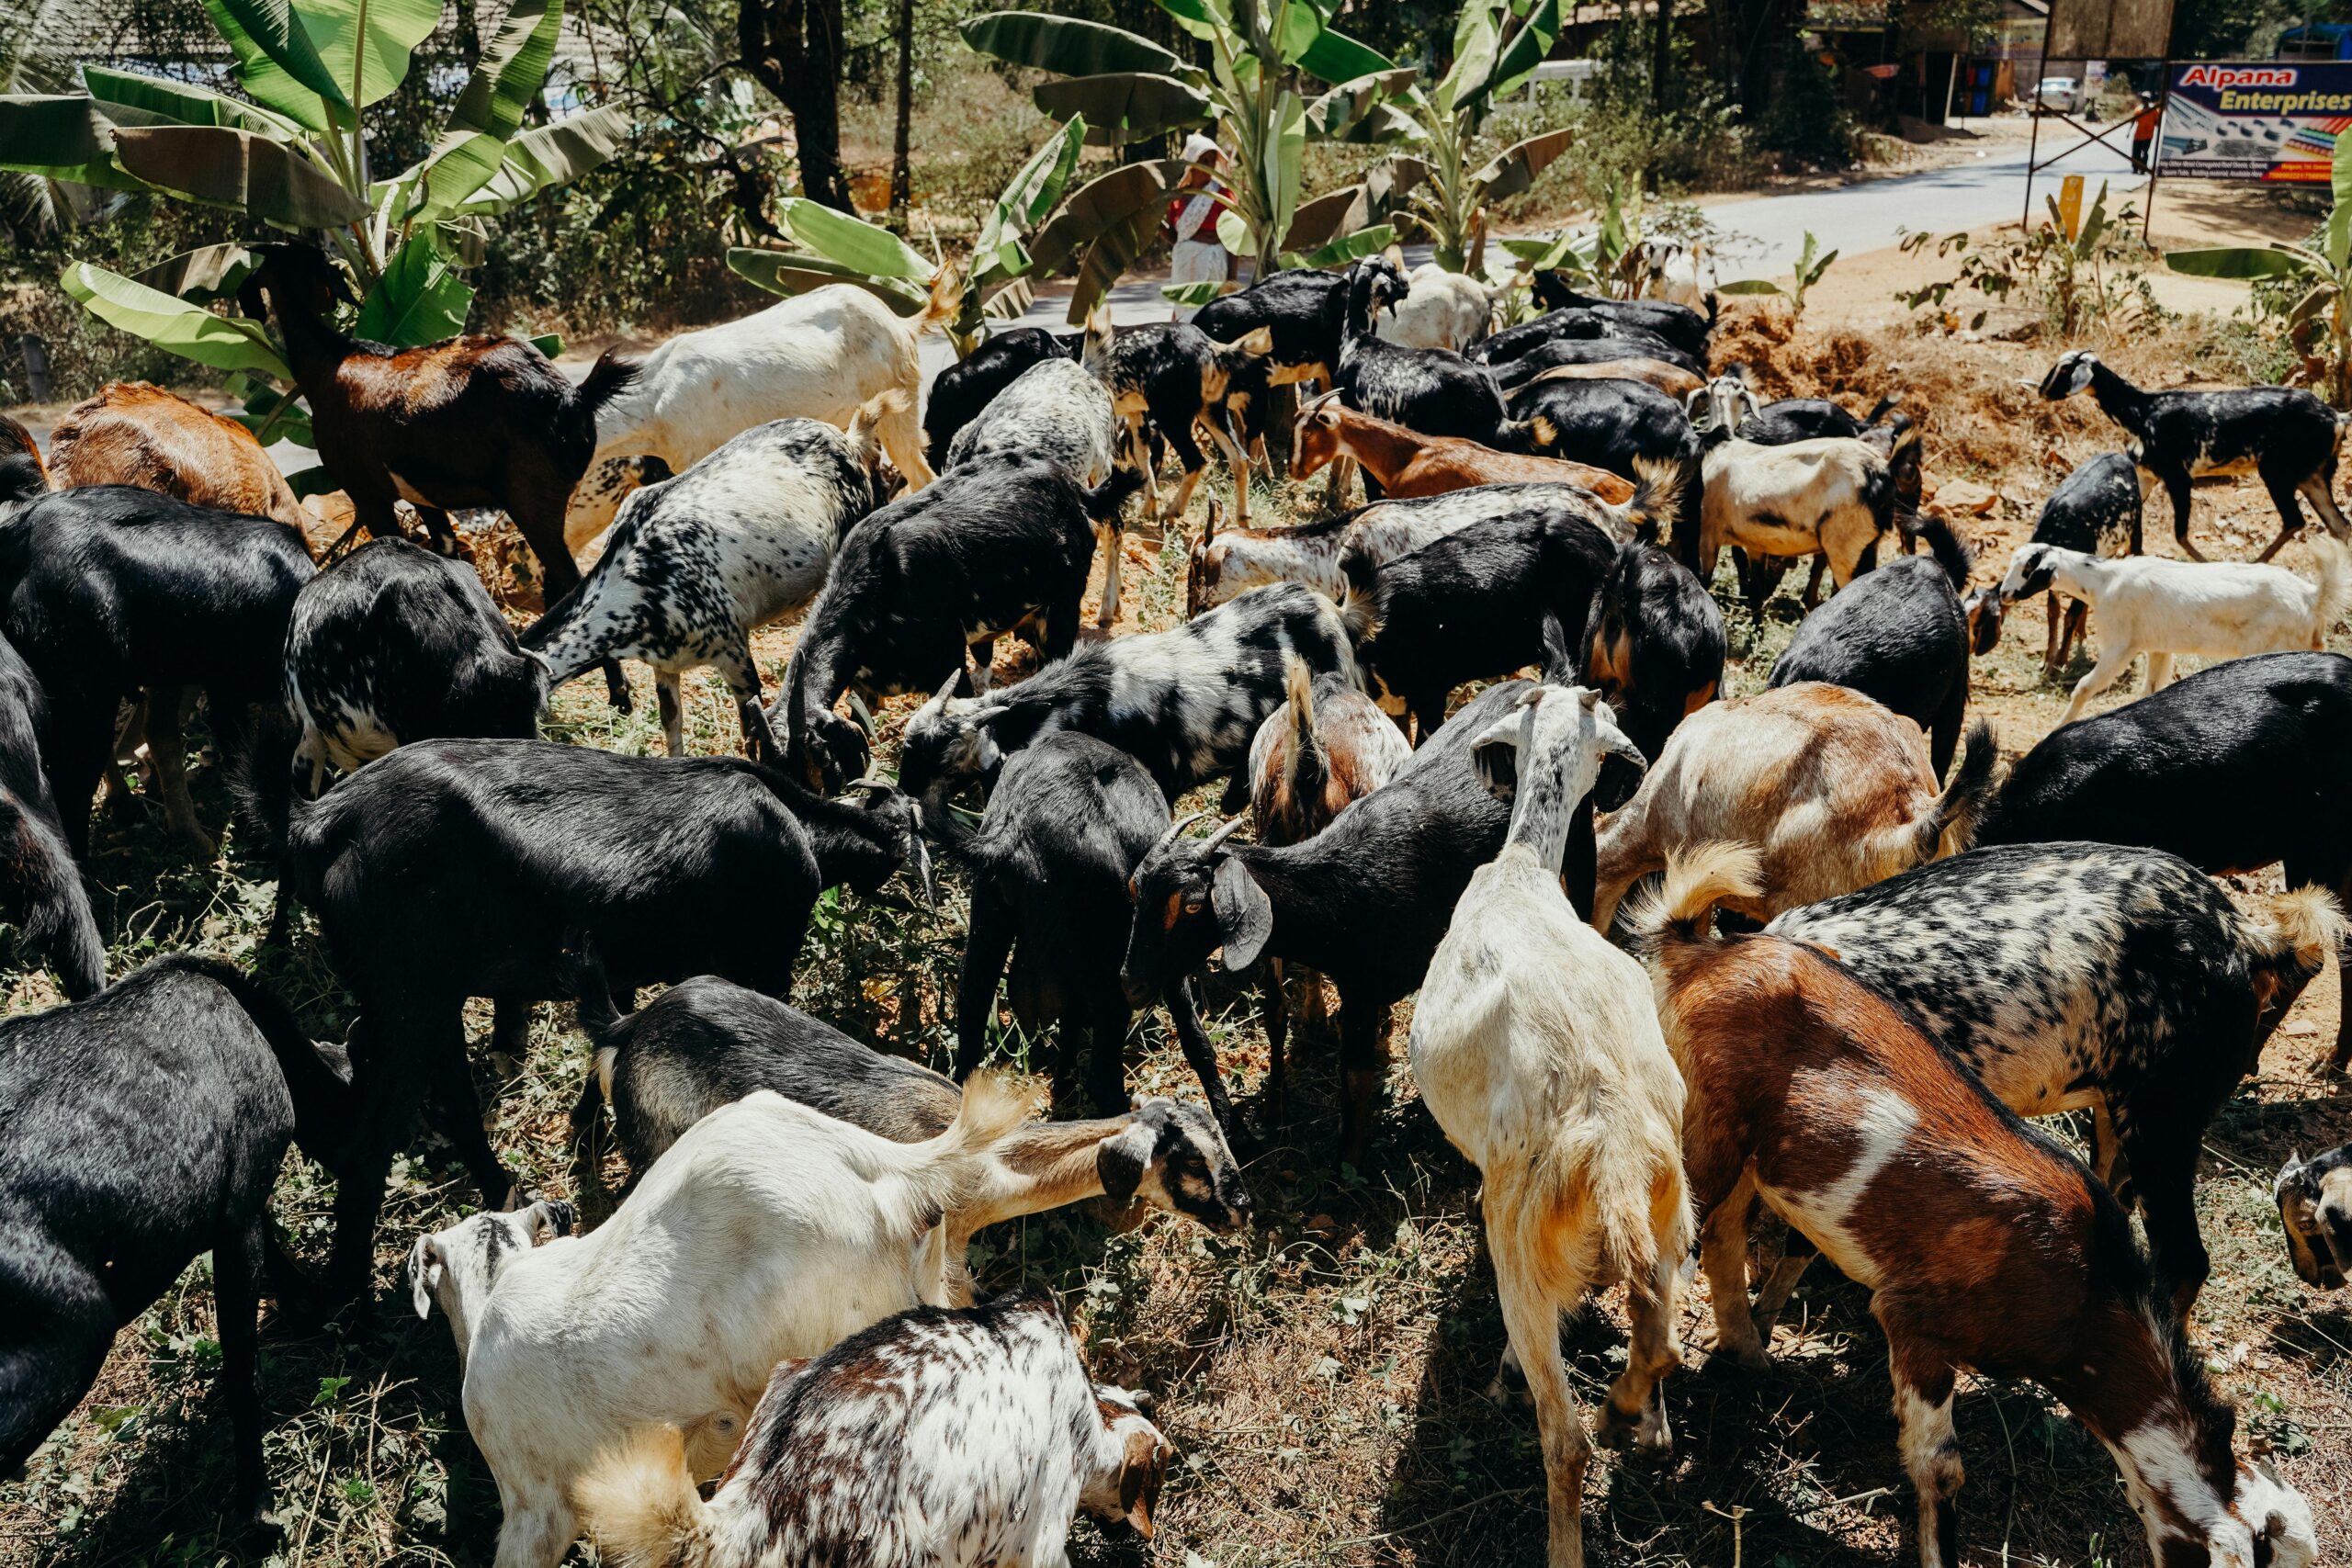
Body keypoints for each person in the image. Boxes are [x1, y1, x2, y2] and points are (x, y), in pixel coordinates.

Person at [1167, 131, 1232, 322]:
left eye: (1212, 160)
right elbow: (1175, 237)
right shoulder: (1177, 198)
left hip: (1214, 265)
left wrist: (1232, 277)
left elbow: (1231, 239)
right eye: (1203, 160)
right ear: (1191, 162)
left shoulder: (1223, 195)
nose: (1209, 165)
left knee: (1210, 316)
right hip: (1185, 266)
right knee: (1184, 317)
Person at [2131, 93, 2163, 173]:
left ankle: (2143, 168)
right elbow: (2133, 121)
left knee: (2145, 152)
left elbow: (2157, 122)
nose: (2145, 100)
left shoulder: (2154, 111)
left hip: (2148, 135)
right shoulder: (2138, 110)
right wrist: (2129, 132)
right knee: (2136, 153)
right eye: (2143, 99)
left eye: (2146, 99)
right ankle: (2135, 168)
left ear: (2149, 100)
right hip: (2138, 135)